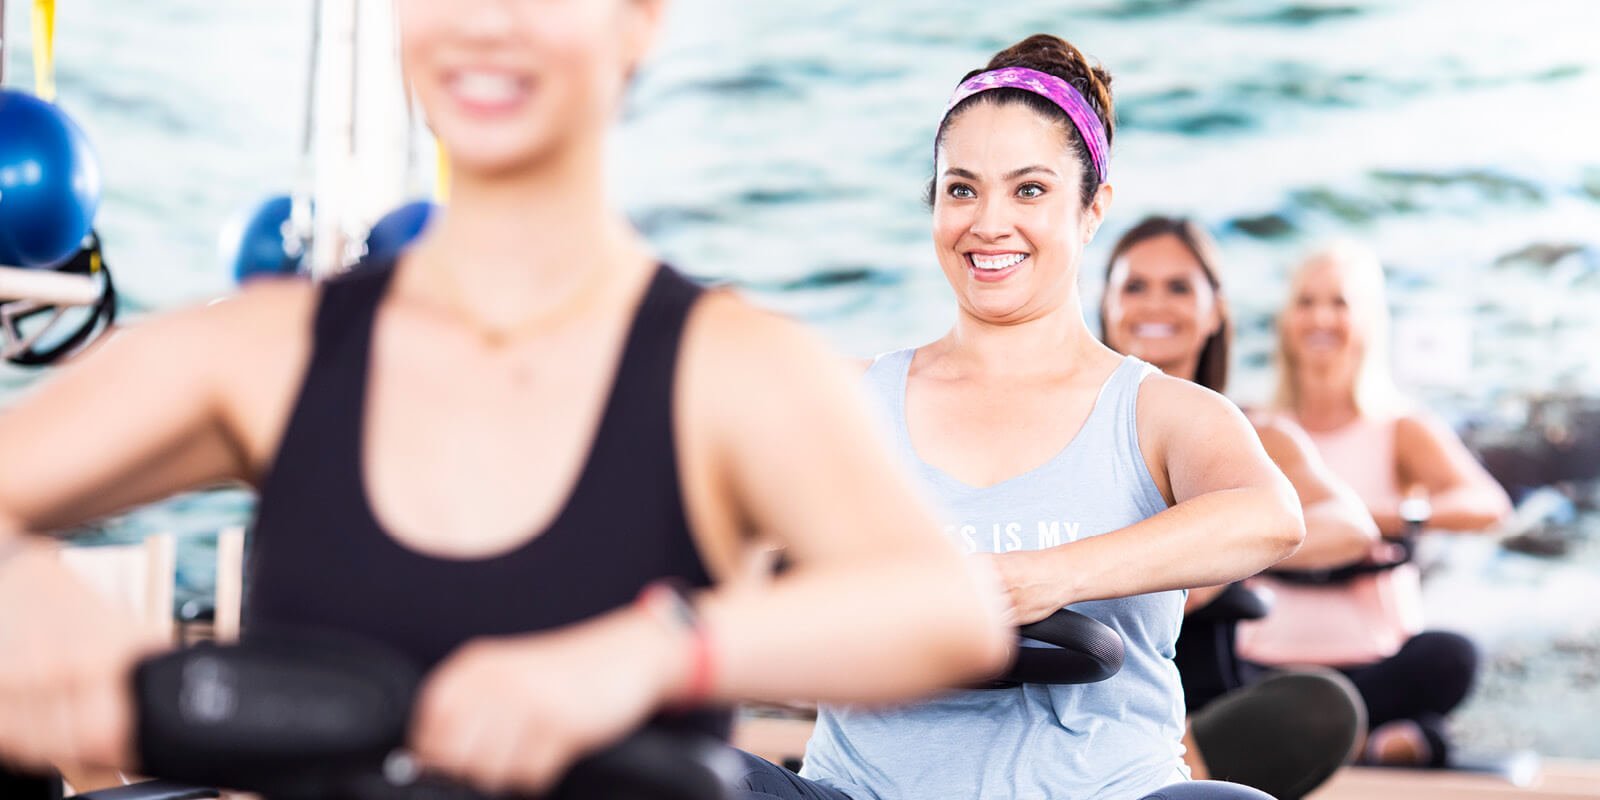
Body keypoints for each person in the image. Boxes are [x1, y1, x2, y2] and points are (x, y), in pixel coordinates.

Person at [0, 1, 1013, 795]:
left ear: (639, 16)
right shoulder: (272, 349)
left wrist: (656, 649)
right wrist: (61, 629)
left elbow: (945, 611)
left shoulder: (726, 366)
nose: (487, 18)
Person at [730, 34, 1305, 800]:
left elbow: (1269, 516)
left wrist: (1033, 581)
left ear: (1093, 207)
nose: (988, 223)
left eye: (1029, 190)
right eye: (961, 189)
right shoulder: (846, 397)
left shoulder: (1161, 412)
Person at [1100, 215, 1373, 797]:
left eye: (1179, 287)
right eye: (1134, 285)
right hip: (1090, 702)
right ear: (1104, 303)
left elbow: (1350, 526)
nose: (1156, 304)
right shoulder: (1069, 428)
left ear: (1215, 310)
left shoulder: (1254, 434)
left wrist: (1223, 552)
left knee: (1324, 706)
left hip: (1202, 715)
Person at [1256, 241, 1512, 766]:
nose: (1321, 317)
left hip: (1373, 664)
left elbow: (1487, 504)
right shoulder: (1253, 425)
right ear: (1286, 319)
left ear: (1370, 320)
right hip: (1263, 668)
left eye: (1340, 303)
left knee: (1451, 657)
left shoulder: (1400, 427)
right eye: (1306, 301)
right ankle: (1377, 740)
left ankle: (1340, 737)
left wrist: (1385, 520)